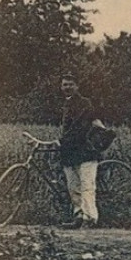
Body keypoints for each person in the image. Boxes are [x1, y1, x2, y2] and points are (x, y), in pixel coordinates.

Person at [58, 70, 103, 228]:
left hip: (86, 150)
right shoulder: (67, 103)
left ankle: (90, 218)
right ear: (61, 87)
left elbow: (80, 127)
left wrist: (61, 141)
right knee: (73, 185)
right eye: (64, 84)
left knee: (87, 185)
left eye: (70, 84)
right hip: (71, 152)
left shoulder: (84, 103)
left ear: (77, 86)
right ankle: (79, 215)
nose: (67, 87)